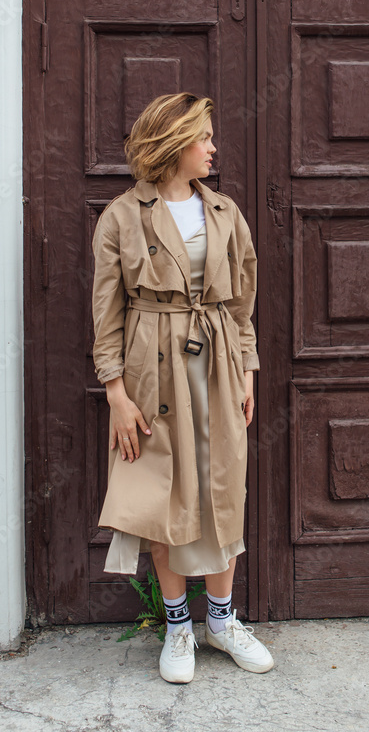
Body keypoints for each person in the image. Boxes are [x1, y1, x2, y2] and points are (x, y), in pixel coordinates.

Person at [91, 92, 274, 683]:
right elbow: (108, 311)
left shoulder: (225, 212)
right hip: (151, 367)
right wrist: (116, 393)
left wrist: (246, 368)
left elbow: (242, 299)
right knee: (163, 493)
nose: (214, 147)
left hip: (217, 364)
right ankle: (177, 629)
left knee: (223, 486)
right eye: (204, 138)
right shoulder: (121, 216)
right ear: (174, 145)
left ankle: (220, 623)